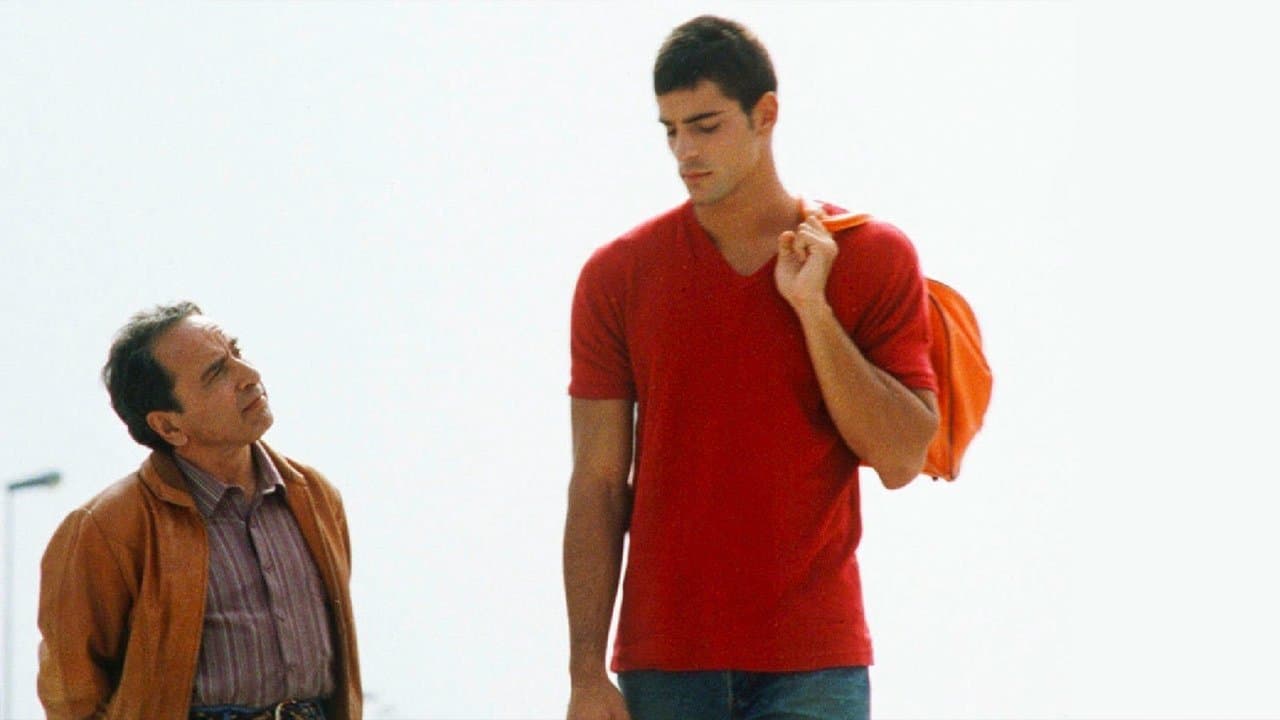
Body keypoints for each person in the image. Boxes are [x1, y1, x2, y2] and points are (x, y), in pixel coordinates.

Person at [563, 15, 939, 720]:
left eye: (706, 126)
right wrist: (585, 672)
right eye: (671, 130)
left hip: (814, 663)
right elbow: (598, 482)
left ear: (765, 114)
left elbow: (900, 457)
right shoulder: (617, 276)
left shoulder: (871, 256)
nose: (685, 151)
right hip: (665, 664)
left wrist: (813, 309)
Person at [37, 302, 361, 720]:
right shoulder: (107, 528)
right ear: (169, 426)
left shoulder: (314, 496)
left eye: (237, 353)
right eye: (216, 373)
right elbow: (72, 695)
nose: (250, 375)